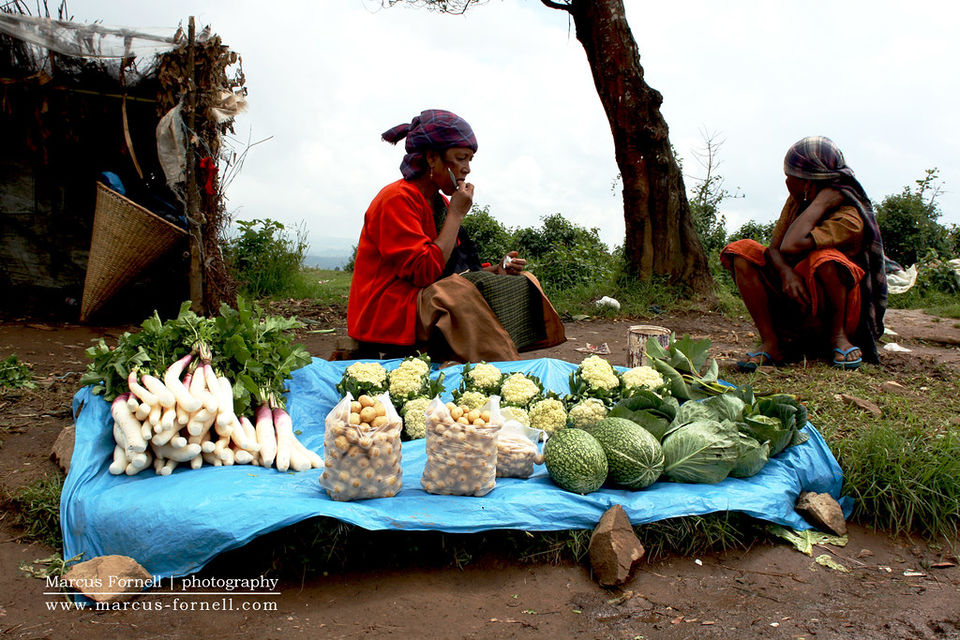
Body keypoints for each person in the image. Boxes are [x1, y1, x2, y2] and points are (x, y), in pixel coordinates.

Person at [346, 109, 565, 363]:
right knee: (453, 295)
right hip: (388, 311)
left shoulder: (439, 202)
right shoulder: (396, 199)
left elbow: (454, 266)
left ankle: (498, 356)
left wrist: (495, 270)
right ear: (431, 158)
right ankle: (499, 367)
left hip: (420, 300)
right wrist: (456, 215)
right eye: (461, 158)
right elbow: (425, 271)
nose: (467, 169)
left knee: (523, 280)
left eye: (470, 160)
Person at [720, 136, 887, 371]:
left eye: (792, 179)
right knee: (742, 250)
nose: (787, 183)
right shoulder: (798, 201)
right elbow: (775, 249)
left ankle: (838, 337)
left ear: (810, 184)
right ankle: (772, 343)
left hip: (834, 309)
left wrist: (821, 204)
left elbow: (792, 244)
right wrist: (786, 272)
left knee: (826, 259)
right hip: (797, 300)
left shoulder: (849, 216)